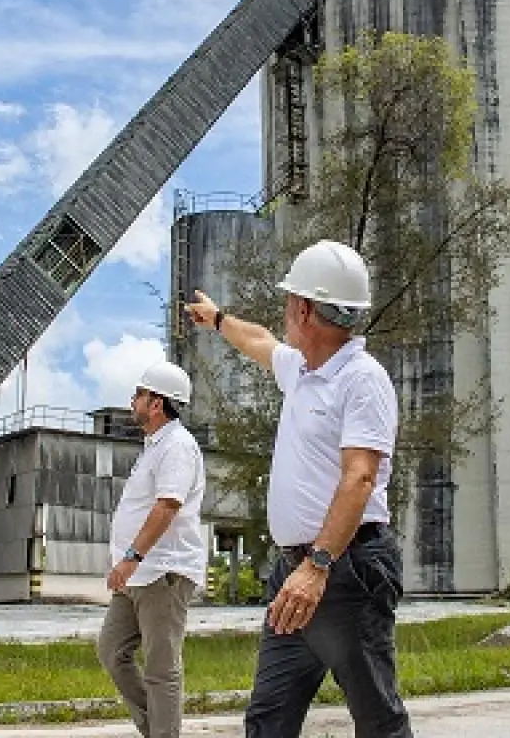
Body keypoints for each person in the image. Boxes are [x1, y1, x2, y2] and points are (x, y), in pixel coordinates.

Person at [185, 239, 411, 738]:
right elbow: (259, 341)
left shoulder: (362, 380)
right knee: (268, 720)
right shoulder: (304, 371)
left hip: (344, 571)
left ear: (306, 309)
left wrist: (319, 566)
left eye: (290, 301)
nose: (285, 311)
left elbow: (360, 478)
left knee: (379, 721)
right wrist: (218, 319)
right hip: (295, 573)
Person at [96, 360, 207, 738]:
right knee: (112, 650)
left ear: (156, 403)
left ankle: (163, 734)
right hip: (138, 575)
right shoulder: (154, 447)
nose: (133, 401)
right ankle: (157, 730)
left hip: (163, 572)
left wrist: (132, 557)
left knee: (161, 667)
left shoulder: (176, 445)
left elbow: (167, 506)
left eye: (139, 394)